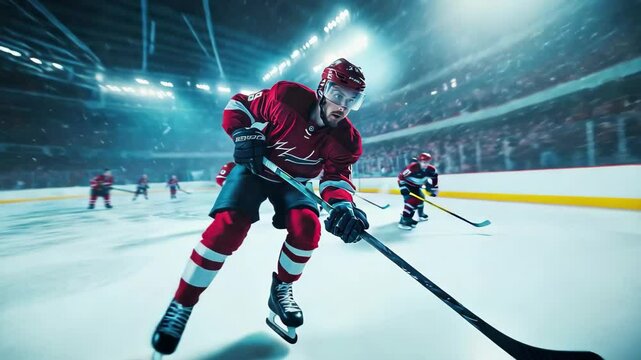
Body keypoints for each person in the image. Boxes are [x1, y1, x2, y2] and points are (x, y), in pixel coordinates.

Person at [151, 58, 369, 354]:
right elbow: (238, 104)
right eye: (337, 94)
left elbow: (336, 178)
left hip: (295, 183)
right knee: (228, 227)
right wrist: (242, 133)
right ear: (322, 89)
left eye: (352, 100)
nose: (342, 106)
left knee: (308, 227)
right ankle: (182, 303)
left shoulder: (347, 141)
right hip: (256, 169)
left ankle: (280, 289)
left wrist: (343, 206)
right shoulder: (286, 97)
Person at [397, 153, 439, 230]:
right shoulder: (411, 168)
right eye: (424, 162)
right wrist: (403, 188)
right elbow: (400, 177)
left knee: (421, 198)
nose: (426, 164)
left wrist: (433, 188)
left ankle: (418, 215)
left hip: (416, 187)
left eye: (427, 162)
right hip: (408, 187)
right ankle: (404, 220)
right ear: (419, 161)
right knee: (411, 201)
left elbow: (434, 177)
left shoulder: (431, 169)